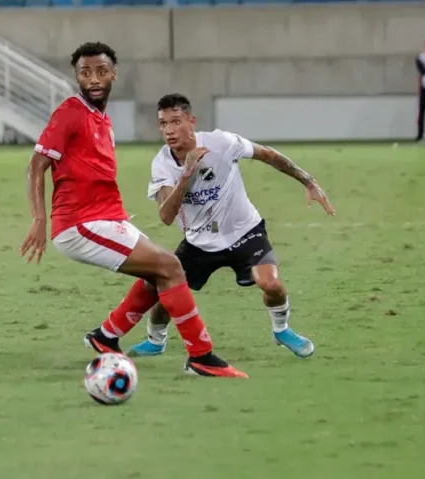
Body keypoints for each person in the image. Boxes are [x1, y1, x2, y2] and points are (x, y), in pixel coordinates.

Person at [19, 42, 246, 378]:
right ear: (76, 77)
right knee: (169, 266)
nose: (94, 78)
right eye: (85, 72)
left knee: (162, 270)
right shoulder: (70, 112)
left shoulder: (102, 120)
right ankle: (201, 356)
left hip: (107, 218)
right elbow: (36, 165)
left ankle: (105, 336)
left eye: (101, 71)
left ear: (114, 73)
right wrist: (40, 219)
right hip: (80, 224)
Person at [128, 94, 335, 358]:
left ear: (191, 121)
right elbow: (166, 216)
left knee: (271, 284)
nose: (168, 130)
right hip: (199, 241)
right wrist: (187, 174)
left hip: (245, 231)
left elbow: (268, 155)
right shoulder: (162, 163)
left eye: (175, 121)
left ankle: (282, 330)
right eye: (163, 124)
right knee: (166, 293)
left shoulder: (222, 143)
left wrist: (308, 180)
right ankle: (156, 341)